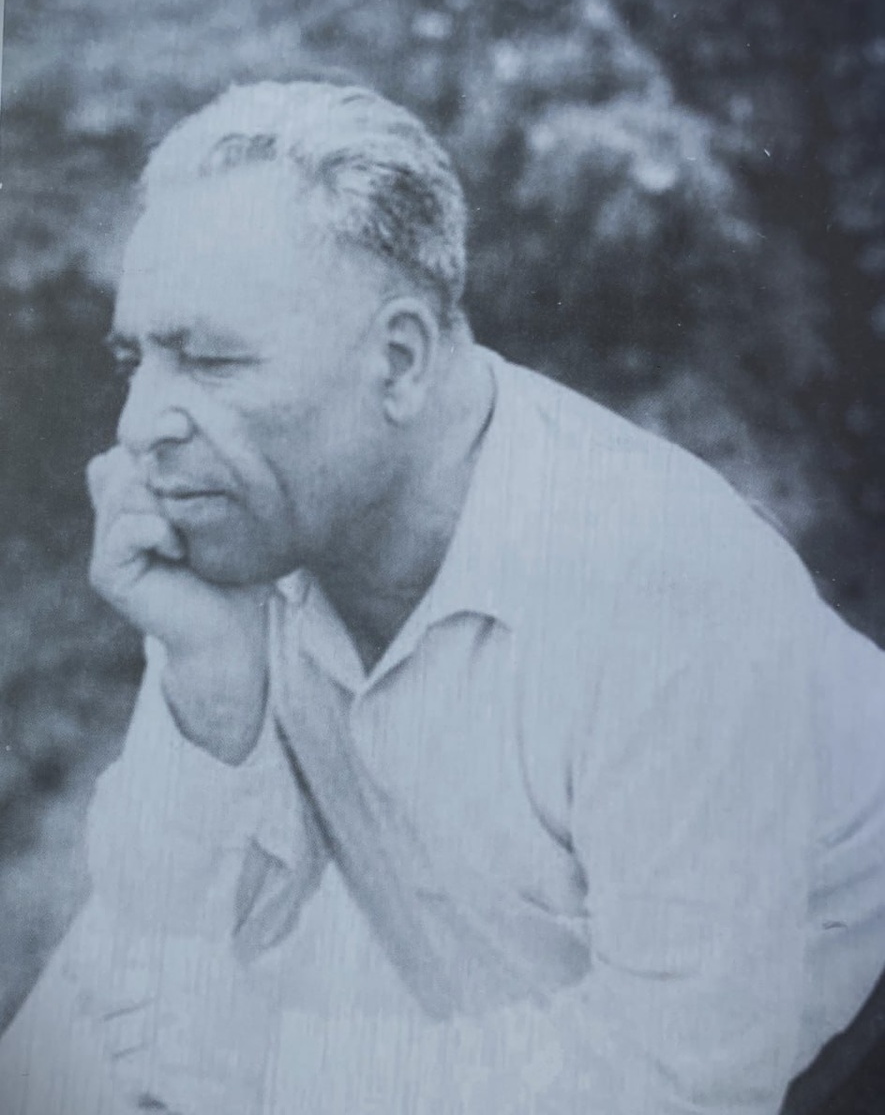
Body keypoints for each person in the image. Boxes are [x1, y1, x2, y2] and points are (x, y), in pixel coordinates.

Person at [1, 79, 885, 1115]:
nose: (140, 423)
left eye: (209, 360)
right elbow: (143, 970)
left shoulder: (667, 584)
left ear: (401, 360)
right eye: (137, 360)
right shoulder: (260, 532)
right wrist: (212, 692)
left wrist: (276, 1070)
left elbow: (688, 1082)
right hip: (516, 1019)